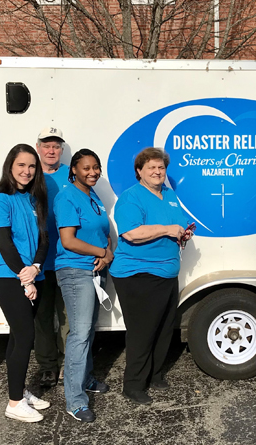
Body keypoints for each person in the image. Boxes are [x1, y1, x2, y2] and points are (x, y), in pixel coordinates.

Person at [110, 147, 193, 405]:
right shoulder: (131, 197)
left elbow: (177, 223)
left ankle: (155, 375)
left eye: (161, 168)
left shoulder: (168, 195)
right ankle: (133, 385)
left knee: (164, 327)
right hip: (138, 273)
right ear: (139, 171)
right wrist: (168, 229)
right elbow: (131, 233)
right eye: (151, 168)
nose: (157, 172)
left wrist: (182, 233)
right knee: (142, 331)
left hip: (166, 272)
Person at [0, 144, 52, 422]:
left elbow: (45, 238)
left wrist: (35, 268)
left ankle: (19, 391)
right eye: (21, 165)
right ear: (10, 166)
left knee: (18, 337)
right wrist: (25, 277)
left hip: (34, 274)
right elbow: (4, 243)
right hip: (8, 276)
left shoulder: (35, 199)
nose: (27, 171)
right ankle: (13, 404)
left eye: (32, 166)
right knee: (25, 336)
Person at [54, 149, 113, 423]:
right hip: (75, 270)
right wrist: (101, 253)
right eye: (86, 168)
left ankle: (86, 379)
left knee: (88, 331)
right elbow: (68, 240)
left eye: (96, 167)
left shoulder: (94, 197)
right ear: (74, 170)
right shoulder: (66, 196)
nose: (92, 172)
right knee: (79, 334)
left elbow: (103, 232)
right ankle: (75, 401)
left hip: (93, 269)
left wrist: (107, 252)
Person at [34, 127, 70, 388]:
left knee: (69, 316)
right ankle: (48, 365)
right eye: (46, 145)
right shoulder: (30, 175)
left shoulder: (72, 174)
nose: (51, 150)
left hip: (69, 258)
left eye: (56, 146)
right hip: (40, 260)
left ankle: (70, 363)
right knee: (43, 317)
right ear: (38, 148)